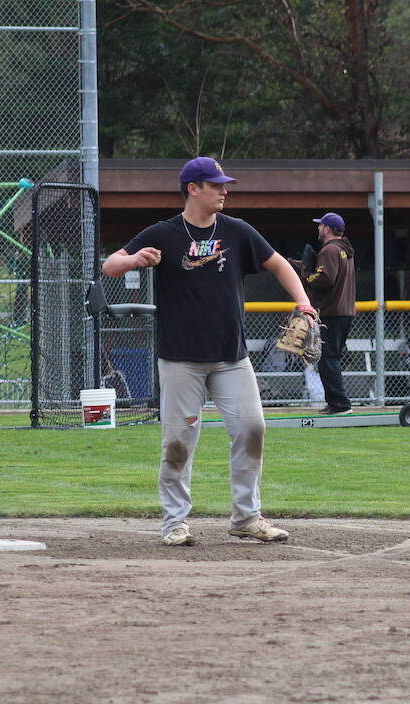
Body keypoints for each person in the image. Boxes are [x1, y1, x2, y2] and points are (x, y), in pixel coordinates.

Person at [101, 157, 317, 547]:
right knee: (178, 441)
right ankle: (174, 523)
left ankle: (246, 518)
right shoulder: (165, 233)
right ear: (193, 188)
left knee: (252, 428)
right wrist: (133, 259)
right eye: (215, 185)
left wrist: (304, 302)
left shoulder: (237, 231)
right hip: (181, 358)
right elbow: (110, 265)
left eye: (224, 184)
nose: (224, 190)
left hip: (231, 357)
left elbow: (279, 265)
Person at [296, 212, 356, 414]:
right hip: (343, 311)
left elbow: (325, 278)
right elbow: (323, 272)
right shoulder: (343, 249)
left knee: (327, 358)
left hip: (332, 311)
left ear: (328, 229)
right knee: (331, 357)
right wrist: (297, 265)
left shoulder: (329, 250)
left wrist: (306, 275)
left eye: (321, 225)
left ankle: (339, 404)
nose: (318, 228)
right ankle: (337, 403)